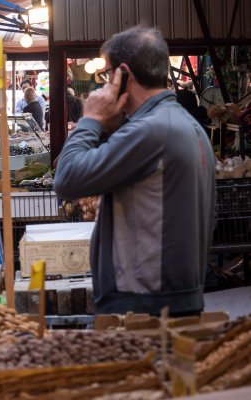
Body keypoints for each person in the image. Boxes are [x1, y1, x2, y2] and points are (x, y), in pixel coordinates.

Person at [54, 26, 215, 316]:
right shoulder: (184, 124)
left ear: (123, 74)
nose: (104, 85)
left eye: (107, 75)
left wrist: (90, 119)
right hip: (168, 300)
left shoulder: (151, 130)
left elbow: (66, 178)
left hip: (144, 306)